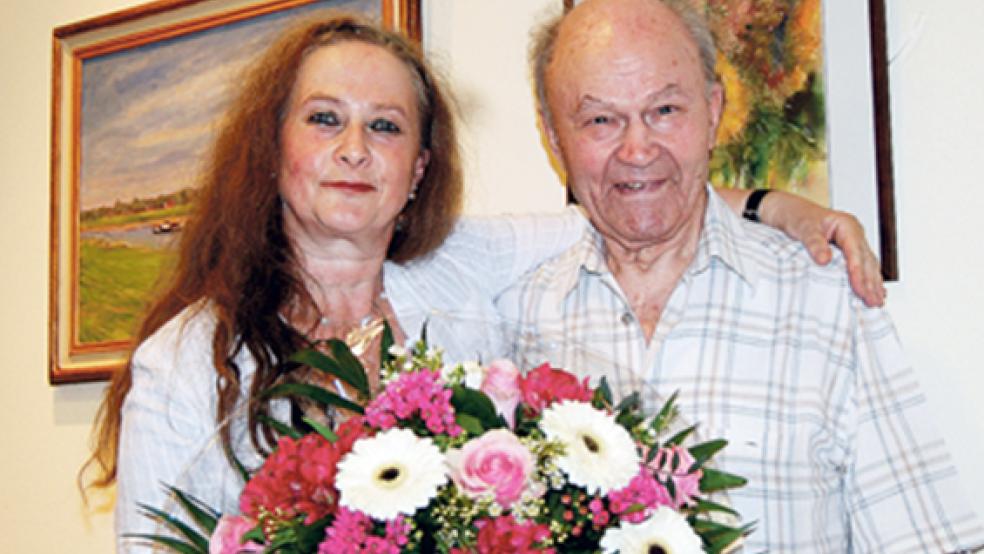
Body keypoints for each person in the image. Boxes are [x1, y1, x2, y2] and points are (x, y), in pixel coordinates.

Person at [80, 12, 884, 552]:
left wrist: (771, 205)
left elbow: (629, 198)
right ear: (272, 147)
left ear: (419, 168)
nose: (356, 148)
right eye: (325, 119)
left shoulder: (461, 271)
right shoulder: (183, 366)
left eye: (387, 126)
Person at [497, 0, 984, 551]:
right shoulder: (508, 312)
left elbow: (923, 540)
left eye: (665, 111)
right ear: (554, 137)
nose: (637, 150)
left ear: (713, 110)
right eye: (601, 120)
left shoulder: (826, 297)